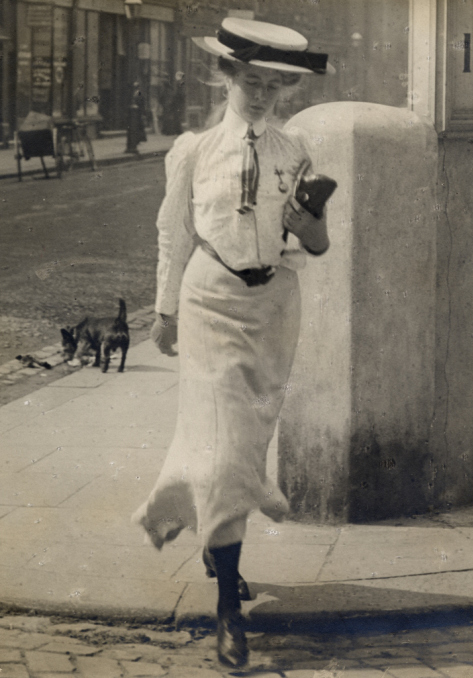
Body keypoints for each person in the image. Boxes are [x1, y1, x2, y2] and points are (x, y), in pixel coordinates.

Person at [132, 17, 334, 668]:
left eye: (273, 86)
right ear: (226, 78)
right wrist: (164, 311)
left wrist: (307, 224)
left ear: (285, 91)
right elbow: (173, 232)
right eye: (251, 81)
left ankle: (218, 548)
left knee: (243, 447)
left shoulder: (294, 153)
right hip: (209, 301)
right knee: (223, 453)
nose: (261, 94)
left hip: (273, 309)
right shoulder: (193, 151)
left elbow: (317, 244)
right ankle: (227, 613)